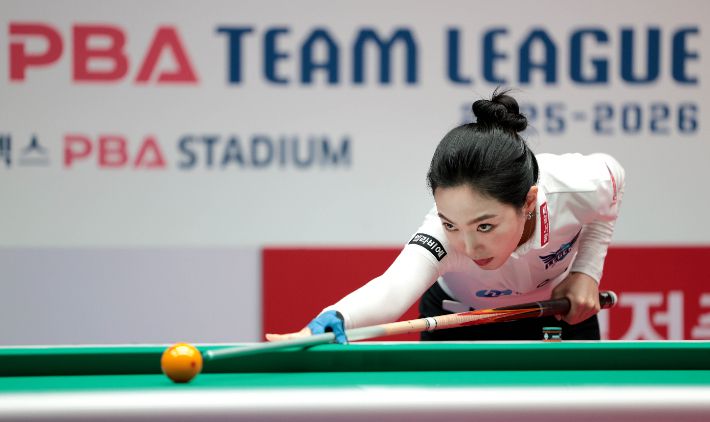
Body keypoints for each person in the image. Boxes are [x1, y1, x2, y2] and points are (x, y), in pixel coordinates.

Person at [267, 89, 625, 343]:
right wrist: (334, 317)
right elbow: (392, 288)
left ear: (528, 202)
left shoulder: (576, 187)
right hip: (459, 319)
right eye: (451, 224)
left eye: (485, 225)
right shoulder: (443, 238)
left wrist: (585, 273)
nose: (468, 245)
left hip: (557, 311)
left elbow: (614, 183)